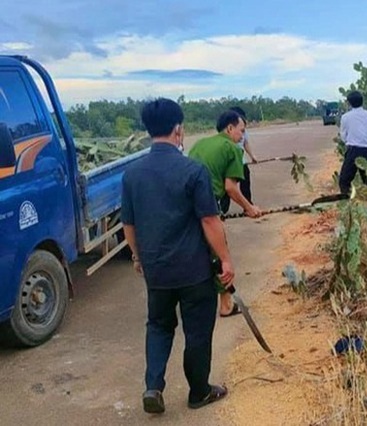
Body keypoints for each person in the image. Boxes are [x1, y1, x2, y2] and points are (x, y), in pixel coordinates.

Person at [121, 98, 234, 414]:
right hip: (194, 270)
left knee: (158, 325)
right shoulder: (192, 170)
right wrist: (225, 259)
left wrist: (138, 257)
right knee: (197, 330)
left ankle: (153, 386)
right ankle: (199, 392)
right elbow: (210, 221)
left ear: (149, 131)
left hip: (157, 270)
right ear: (178, 129)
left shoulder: (133, 174)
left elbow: (128, 224)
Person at [189, 110, 262, 318]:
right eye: (241, 131)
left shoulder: (200, 144)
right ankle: (226, 305)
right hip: (208, 204)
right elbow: (230, 187)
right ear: (230, 128)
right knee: (219, 252)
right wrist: (249, 208)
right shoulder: (232, 149)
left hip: (187, 204)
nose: (242, 136)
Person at [218, 106, 258, 214]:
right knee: (227, 187)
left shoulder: (243, 131)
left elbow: (246, 143)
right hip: (230, 161)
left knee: (245, 182)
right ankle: (223, 209)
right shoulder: (226, 136)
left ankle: (248, 205)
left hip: (241, 161)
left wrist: (252, 156)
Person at [338, 90, 367, 196]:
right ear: (362, 101)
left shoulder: (345, 117)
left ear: (349, 103)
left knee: (344, 180)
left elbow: (343, 137)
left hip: (353, 151)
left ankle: (347, 202)